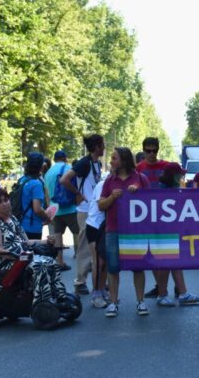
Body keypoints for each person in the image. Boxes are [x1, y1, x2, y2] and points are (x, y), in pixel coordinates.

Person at [0, 188, 68, 305]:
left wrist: (45, 241)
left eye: (6, 200)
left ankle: (59, 296)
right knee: (39, 265)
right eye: (0, 202)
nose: (5, 203)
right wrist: (16, 256)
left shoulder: (13, 219)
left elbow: (26, 241)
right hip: (4, 262)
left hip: (22, 258)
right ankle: (41, 303)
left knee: (50, 262)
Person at [99, 147, 150, 317]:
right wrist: (112, 197)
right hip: (113, 229)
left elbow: (152, 202)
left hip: (136, 230)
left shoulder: (141, 178)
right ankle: (113, 303)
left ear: (124, 160)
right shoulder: (109, 180)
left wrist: (138, 193)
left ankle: (141, 301)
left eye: (114, 158)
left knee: (138, 266)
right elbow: (100, 205)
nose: (111, 161)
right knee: (113, 267)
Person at [60, 134, 105, 295]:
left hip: (95, 210)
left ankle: (99, 281)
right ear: (96, 147)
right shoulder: (84, 163)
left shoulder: (97, 163)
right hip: (85, 210)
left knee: (97, 247)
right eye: (102, 145)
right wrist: (78, 194)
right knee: (85, 246)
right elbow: (64, 180)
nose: (104, 147)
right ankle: (80, 281)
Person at [155, 163, 199, 307]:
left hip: (171, 230)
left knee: (175, 262)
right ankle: (162, 295)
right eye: (179, 174)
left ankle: (182, 293)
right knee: (165, 264)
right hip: (164, 231)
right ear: (173, 176)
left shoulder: (173, 188)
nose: (182, 176)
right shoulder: (163, 190)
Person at [136, 137, 171, 298]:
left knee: (169, 252)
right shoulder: (138, 168)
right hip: (146, 217)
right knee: (151, 252)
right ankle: (160, 287)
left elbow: (177, 188)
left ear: (158, 149)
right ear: (143, 150)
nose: (151, 153)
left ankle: (178, 288)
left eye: (154, 150)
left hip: (165, 217)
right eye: (148, 150)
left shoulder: (166, 166)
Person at [43, 150, 77, 270]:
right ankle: (80, 258)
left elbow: (47, 194)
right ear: (65, 158)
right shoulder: (69, 168)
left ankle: (60, 261)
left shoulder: (48, 173)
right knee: (78, 233)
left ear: (54, 159)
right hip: (70, 208)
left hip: (55, 209)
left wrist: (49, 209)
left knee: (57, 234)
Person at [86, 176, 108, 308]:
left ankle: (102, 290)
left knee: (105, 261)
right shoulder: (103, 184)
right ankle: (96, 294)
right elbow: (102, 206)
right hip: (94, 225)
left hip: (105, 226)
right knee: (98, 262)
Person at [19, 152, 50, 240]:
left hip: (20, 224)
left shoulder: (22, 180)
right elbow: (37, 209)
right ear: (41, 166)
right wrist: (47, 217)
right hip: (32, 227)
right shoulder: (36, 184)